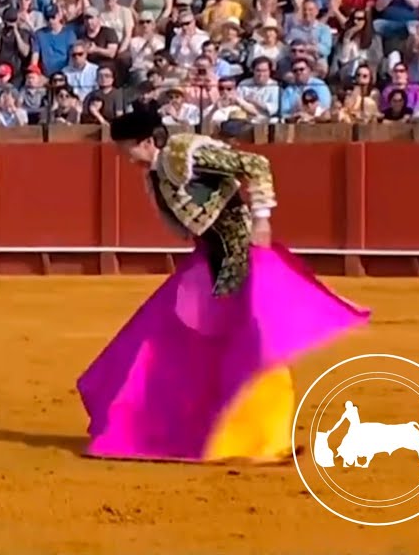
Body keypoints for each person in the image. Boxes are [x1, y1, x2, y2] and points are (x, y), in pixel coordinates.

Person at [77, 110, 368, 463]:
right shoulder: (156, 173)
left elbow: (255, 164)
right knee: (169, 337)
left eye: (125, 148)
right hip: (211, 258)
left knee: (250, 343)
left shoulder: (186, 153)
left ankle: (262, 440)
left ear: (147, 141)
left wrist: (261, 218)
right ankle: (189, 432)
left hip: (241, 252)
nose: (123, 157)